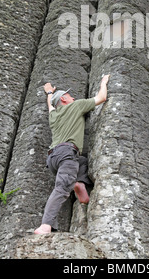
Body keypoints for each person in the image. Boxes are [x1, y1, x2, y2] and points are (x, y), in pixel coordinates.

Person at [34, 74, 110, 234]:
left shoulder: (53, 116)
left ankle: (79, 184)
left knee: (82, 161)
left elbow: (50, 106)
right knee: (61, 189)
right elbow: (102, 97)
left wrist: (49, 93)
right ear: (63, 100)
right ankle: (45, 225)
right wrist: (104, 81)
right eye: (69, 95)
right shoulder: (76, 106)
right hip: (67, 154)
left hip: (53, 159)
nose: (73, 97)